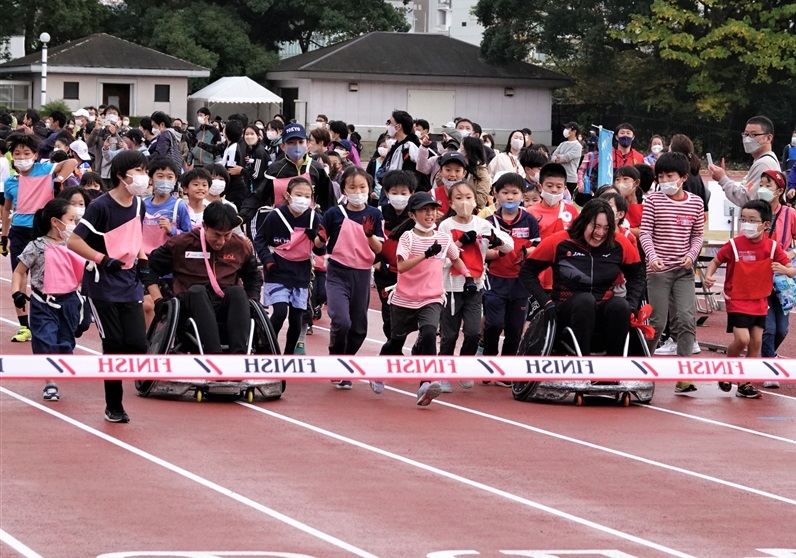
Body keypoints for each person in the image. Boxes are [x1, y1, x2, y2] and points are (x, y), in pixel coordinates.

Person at [67, 150, 150, 423]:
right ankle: (114, 406)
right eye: (137, 171)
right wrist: (103, 259)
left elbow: (135, 237)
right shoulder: (100, 206)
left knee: (137, 343)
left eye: (144, 171)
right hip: (103, 285)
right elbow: (75, 242)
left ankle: (128, 375)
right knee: (113, 344)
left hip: (130, 283)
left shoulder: (139, 205)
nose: (143, 177)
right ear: (120, 175)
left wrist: (142, 261)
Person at [378, 191, 471, 404]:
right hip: (404, 298)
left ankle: (425, 384)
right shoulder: (408, 238)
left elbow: (456, 259)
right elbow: (401, 267)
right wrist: (426, 254)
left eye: (433, 210)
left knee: (429, 332)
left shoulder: (443, 238)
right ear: (412, 215)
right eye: (424, 210)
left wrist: (468, 278)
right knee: (396, 342)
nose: (430, 214)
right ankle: (378, 370)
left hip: (432, 297)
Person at [520, 198, 644, 356]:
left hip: (603, 312)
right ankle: (582, 364)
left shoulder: (619, 243)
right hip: (567, 311)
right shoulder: (558, 241)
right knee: (585, 300)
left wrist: (632, 304)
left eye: (606, 228)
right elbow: (527, 271)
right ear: (584, 222)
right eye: (596, 226)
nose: (600, 233)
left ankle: (614, 368)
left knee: (621, 306)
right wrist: (546, 302)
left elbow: (637, 275)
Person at [703, 200, 795, 398]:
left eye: (752, 220)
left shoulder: (772, 247)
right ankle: (727, 371)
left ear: (765, 225)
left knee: (756, 343)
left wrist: (785, 269)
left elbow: (791, 269)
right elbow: (716, 261)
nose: (747, 224)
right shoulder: (735, 245)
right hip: (737, 299)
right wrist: (709, 276)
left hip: (760, 301)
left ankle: (745, 383)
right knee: (742, 339)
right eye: (743, 219)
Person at [147, 201, 263, 355]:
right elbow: (148, 268)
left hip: (225, 304)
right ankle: (213, 356)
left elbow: (253, 276)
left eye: (226, 235)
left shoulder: (239, 245)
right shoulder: (182, 243)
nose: (221, 241)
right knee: (197, 291)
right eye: (216, 235)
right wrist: (158, 299)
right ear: (205, 226)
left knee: (237, 292)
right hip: (191, 304)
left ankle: (239, 357)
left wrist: (253, 299)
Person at [438, 181, 513, 392]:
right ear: (451, 203)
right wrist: (460, 242)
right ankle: (444, 372)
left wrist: (496, 239)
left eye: (468, 197)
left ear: (475, 201)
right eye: (459, 198)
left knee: (472, 332)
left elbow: (508, 246)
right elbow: (442, 259)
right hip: (451, 287)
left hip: (475, 286)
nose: (464, 202)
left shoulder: (482, 224)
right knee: (450, 333)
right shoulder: (445, 226)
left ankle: (464, 367)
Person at [639, 152, 704, 393]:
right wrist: (653, 257)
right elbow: (645, 233)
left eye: (670, 176)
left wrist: (691, 255)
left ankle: (684, 374)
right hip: (658, 271)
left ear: (683, 177)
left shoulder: (696, 203)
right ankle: (642, 367)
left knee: (687, 319)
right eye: (661, 176)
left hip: (684, 270)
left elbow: (698, 235)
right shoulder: (653, 201)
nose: (665, 180)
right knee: (656, 321)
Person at [11, 199, 86, 402]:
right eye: (71, 219)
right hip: (43, 302)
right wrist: (16, 293)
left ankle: (59, 363)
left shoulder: (77, 245)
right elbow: (19, 272)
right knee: (45, 341)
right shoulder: (36, 246)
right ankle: (50, 383)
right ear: (55, 221)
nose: (74, 223)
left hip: (70, 302)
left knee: (65, 345)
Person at [315, 167, 383, 388]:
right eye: (352, 187)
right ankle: (336, 359)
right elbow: (318, 244)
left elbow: (379, 248)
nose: (357, 191)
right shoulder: (334, 213)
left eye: (362, 187)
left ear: (369, 189)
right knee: (341, 320)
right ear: (343, 188)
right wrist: (320, 238)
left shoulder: (375, 214)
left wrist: (369, 234)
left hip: (362, 274)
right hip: (337, 271)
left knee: (359, 329)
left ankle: (346, 363)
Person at [1, 132, 66, 343]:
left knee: (46, 277)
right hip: (19, 231)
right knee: (19, 274)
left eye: (26, 153)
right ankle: (24, 326)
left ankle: (52, 319)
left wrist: (59, 179)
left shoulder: (45, 170)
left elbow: (72, 161)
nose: (21, 157)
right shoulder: (11, 181)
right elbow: (6, 210)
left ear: (36, 155)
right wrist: (3, 235)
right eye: (17, 154)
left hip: (42, 231)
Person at [255, 176, 322, 355]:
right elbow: (260, 240)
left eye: (307, 196)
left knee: (296, 318)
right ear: (288, 195)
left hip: (301, 273)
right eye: (298, 194)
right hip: (277, 270)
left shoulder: (315, 218)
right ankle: (266, 348)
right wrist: (268, 260)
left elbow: (322, 250)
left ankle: (288, 355)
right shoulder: (275, 216)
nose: (303, 199)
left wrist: (317, 239)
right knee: (279, 312)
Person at [483, 172, 540, 362]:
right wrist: (500, 251)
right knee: (493, 324)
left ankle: (507, 368)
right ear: (496, 194)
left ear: (522, 195)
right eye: (505, 192)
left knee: (515, 329)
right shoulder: (489, 222)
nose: (509, 197)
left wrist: (525, 252)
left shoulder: (529, 220)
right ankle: (489, 358)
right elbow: (482, 252)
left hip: (520, 282)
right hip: (495, 281)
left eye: (514, 193)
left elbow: (537, 246)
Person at [239, 123, 332, 221]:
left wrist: (326, 227)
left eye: (301, 142)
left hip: (310, 224)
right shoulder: (275, 169)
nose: (297, 146)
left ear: (307, 144)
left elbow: (328, 201)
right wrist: (242, 216)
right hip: (281, 223)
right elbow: (258, 196)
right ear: (283, 146)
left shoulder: (317, 169)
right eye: (291, 142)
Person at [755, 170, 796, 373]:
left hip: (782, 280)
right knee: (768, 328)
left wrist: (790, 254)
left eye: (768, 185)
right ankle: (769, 368)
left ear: (780, 191)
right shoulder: (754, 213)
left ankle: (765, 355)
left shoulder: (790, 214)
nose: (762, 188)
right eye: (761, 184)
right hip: (759, 278)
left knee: (782, 329)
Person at [373, 170, 415, 339]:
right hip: (385, 273)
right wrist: (375, 260)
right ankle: (393, 347)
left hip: (410, 273)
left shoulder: (417, 215)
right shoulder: (378, 213)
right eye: (394, 193)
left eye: (403, 193)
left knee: (408, 315)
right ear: (386, 193)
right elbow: (367, 240)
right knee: (389, 315)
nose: (399, 197)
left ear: (411, 193)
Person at [528, 162, 580, 293]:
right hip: (536, 274)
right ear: (540, 187)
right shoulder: (529, 213)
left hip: (564, 275)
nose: (554, 190)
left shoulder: (571, 212)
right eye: (549, 186)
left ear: (565, 188)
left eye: (559, 186)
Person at [709, 115, 780, 206]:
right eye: (746, 134)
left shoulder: (764, 163)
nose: (747, 139)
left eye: (754, 135)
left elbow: (747, 199)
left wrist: (723, 179)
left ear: (768, 138)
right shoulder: (764, 161)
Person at [550, 122, 583, 195]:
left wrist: (559, 157)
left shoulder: (577, 146)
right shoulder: (562, 144)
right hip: (558, 176)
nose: (565, 130)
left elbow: (566, 158)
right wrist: (557, 158)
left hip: (570, 178)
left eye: (568, 128)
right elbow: (553, 156)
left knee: (567, 201)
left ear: (574, 131)